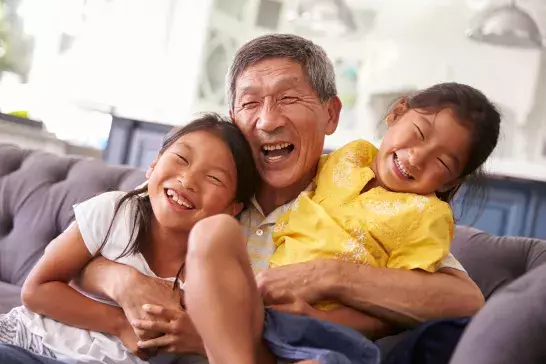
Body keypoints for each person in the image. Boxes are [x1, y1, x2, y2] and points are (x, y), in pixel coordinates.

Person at [0, 34, 486, 363]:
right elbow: (109, 235)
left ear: (331, 114)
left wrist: (330, 275)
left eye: (288, 98)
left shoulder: (356, 197)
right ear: (233, 115)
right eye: (250, 103)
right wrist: (122, 280)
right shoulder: (206, 188)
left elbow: (462, 298)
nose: (268, 120)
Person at [181, 82, 501, 363]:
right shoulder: (349, 157)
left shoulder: (426, 217)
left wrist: (321, 317)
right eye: (418, 134)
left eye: (442, 162)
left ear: (450, 181)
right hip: (264, 306)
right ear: (397, 112)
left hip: (320, 330)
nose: (417, 158)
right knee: (213, 234)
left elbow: (405, 306)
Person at [0, 114, 259, 363]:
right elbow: (36, 290)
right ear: (154, 165)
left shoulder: (213, 275)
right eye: (181, 158)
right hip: (32, 340)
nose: (187, 180)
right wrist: (119, 323)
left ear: (232, 208)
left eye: (213, 178)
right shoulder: (114, 212)